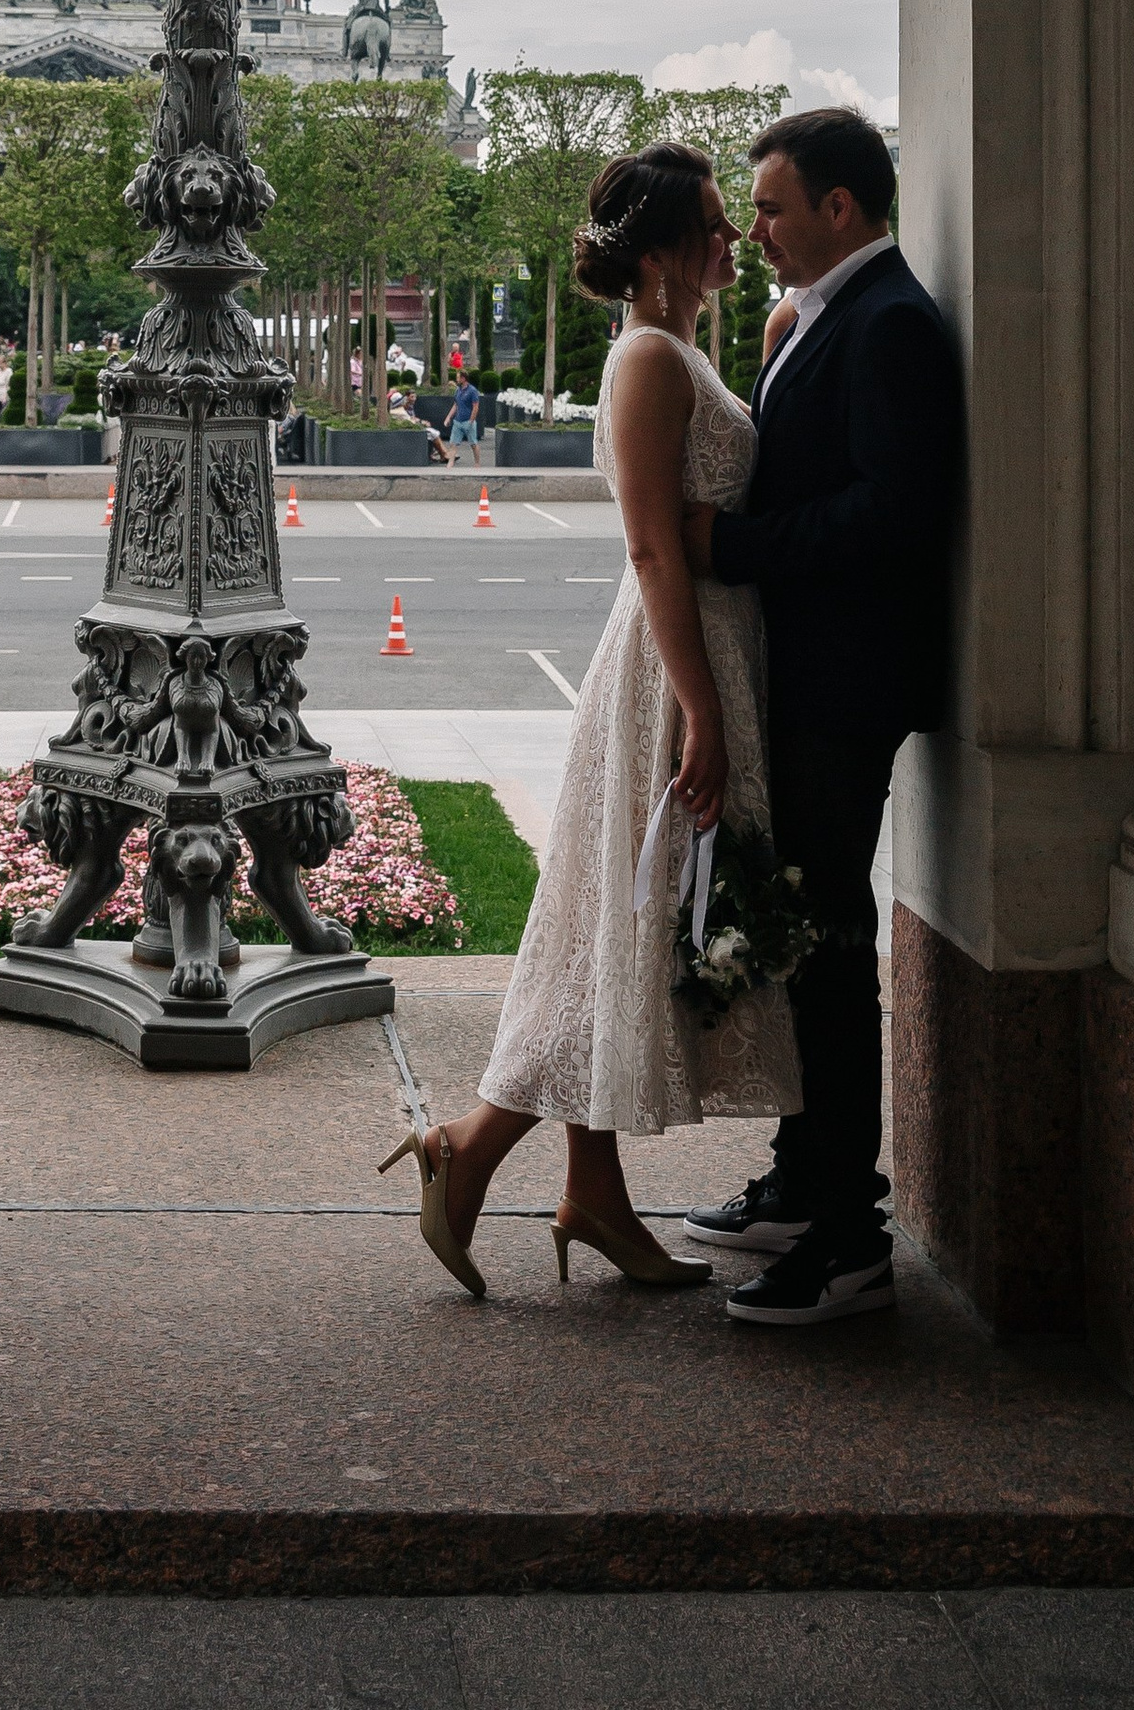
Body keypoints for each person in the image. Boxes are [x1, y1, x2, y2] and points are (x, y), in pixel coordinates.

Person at [380, 144, 798, 1298]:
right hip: (673, 666)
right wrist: (700, 710)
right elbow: (654, 546)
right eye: (715, 223)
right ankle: (472, 1153)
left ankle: (587, 1194)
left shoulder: (679, 348)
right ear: (662, 247)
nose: (732, 240)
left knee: (612, 929)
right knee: (626, 925)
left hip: (688, 654)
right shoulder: (649, 359)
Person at [679, 105, 962, 1333]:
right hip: (817, 684)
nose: (759, 228)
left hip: (844, 692)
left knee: (833, 961)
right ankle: (806, 1184)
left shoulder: (891, 323)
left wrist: (730, 547)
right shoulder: (833, 313)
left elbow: (892, 513)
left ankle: (848, 1238)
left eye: (776, 207)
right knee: (806, 950)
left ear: (839, 207)